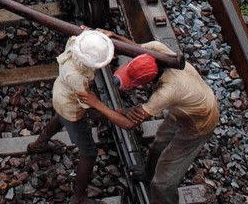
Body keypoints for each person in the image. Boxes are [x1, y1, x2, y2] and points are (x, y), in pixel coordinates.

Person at [76, 35, 219, 204]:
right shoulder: (158, 50)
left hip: (199, 122)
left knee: (163, 183)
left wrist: (97, 104)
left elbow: (129, 125)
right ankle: (147, 172)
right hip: (186, 107)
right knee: (160, 142)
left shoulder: (167, 92)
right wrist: (110, 37)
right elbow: (133, 48)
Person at [27, 30, 114, 204]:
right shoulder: (78, 78)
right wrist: (111, 115)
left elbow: (83, 36)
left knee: (60, 118)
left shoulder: (73, 44)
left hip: (60, 94)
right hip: (73, 108)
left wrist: (98, 37)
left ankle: (38, 144)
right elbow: (90, 107)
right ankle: (78, 197)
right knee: (89, 153)